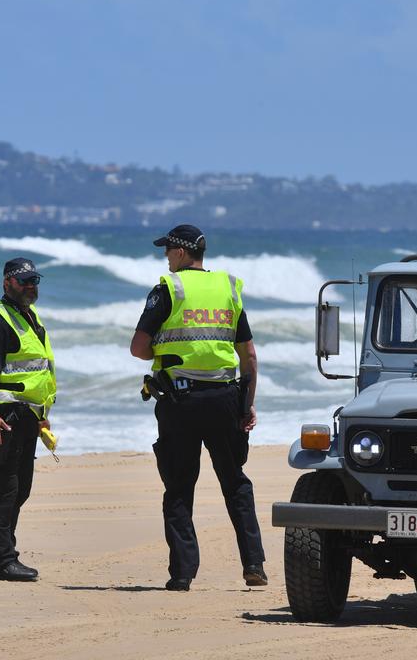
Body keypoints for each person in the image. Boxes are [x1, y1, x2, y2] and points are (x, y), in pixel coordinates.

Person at [129, 224, 266, 591]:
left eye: (167, 249)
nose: (165, 256)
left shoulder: (168, 289)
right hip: (225, 399)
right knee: (235, 483)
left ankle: (183, 574)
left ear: (181, 252)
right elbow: (249, 354)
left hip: (180, 402)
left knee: (178, 488)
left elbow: (138, 348)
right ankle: (254, 565)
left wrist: (165, 351)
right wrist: (247, 403)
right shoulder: (228, 288)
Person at [0, 257, 55, 582]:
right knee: (1, 490)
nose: (30, 286)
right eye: (24, 281)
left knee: (20, 489)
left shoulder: (29, 317)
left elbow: (37, 374)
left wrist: (42, 417)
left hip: (26, 417)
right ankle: (0, 561)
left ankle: (4, 556)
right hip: (4, 417)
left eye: (34, 280)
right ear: (7, 282)